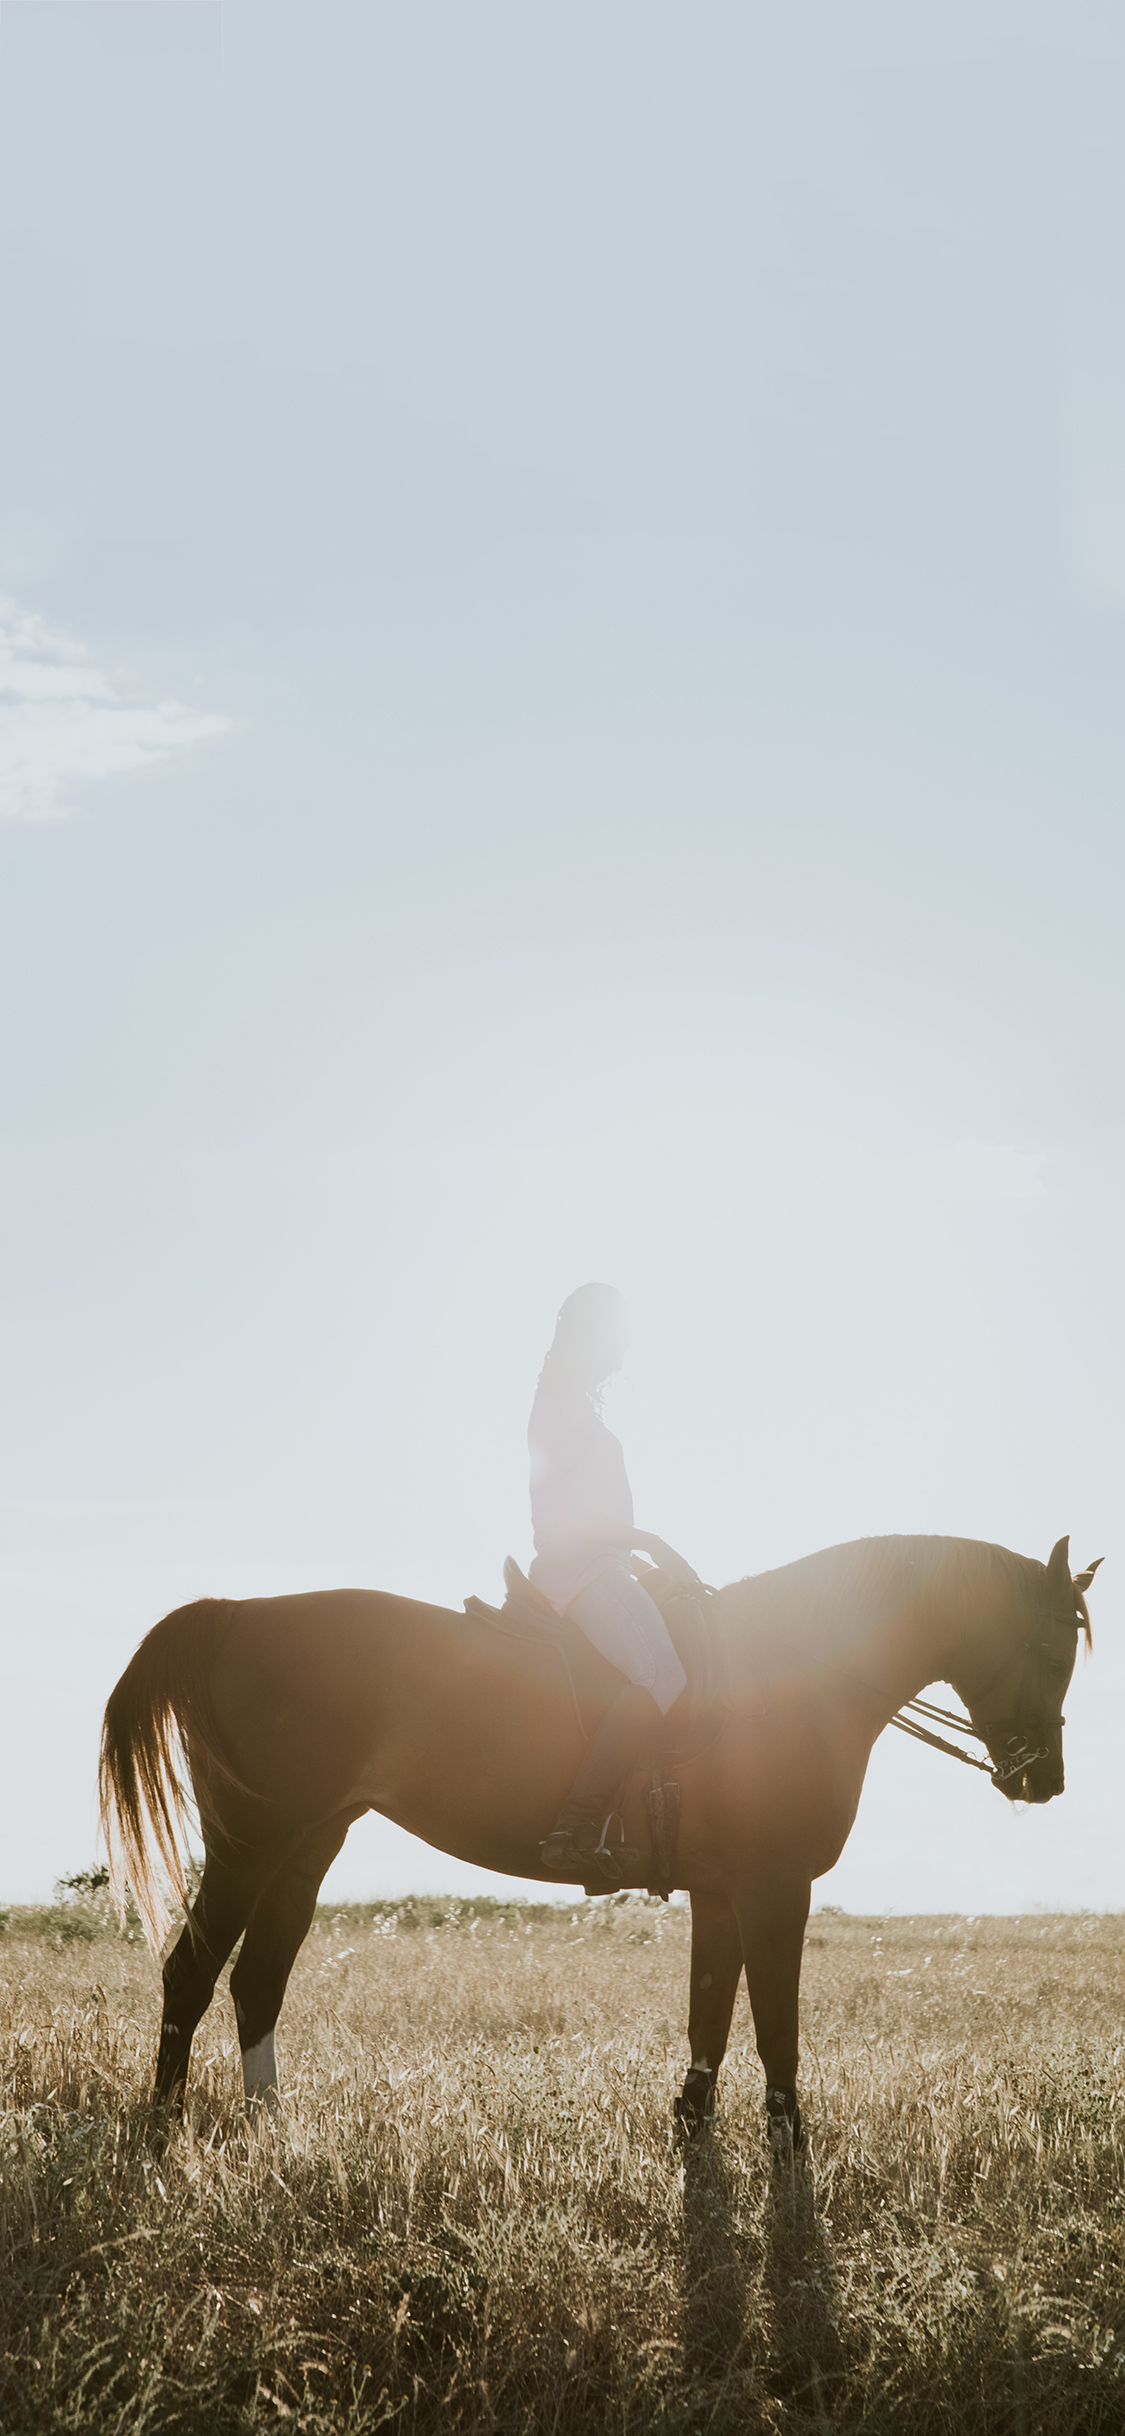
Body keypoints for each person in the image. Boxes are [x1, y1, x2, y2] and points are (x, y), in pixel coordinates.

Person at [528, 1281, 698, 1882]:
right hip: (579, 1569)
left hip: (604, 1564)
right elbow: (564, 1516)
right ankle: (576, 1827)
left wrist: (645, 1567)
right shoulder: (562, 1406)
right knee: (664, 1675)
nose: (623, 1353)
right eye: (616, 1339)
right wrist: (649, 1542)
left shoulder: (573, 1405)